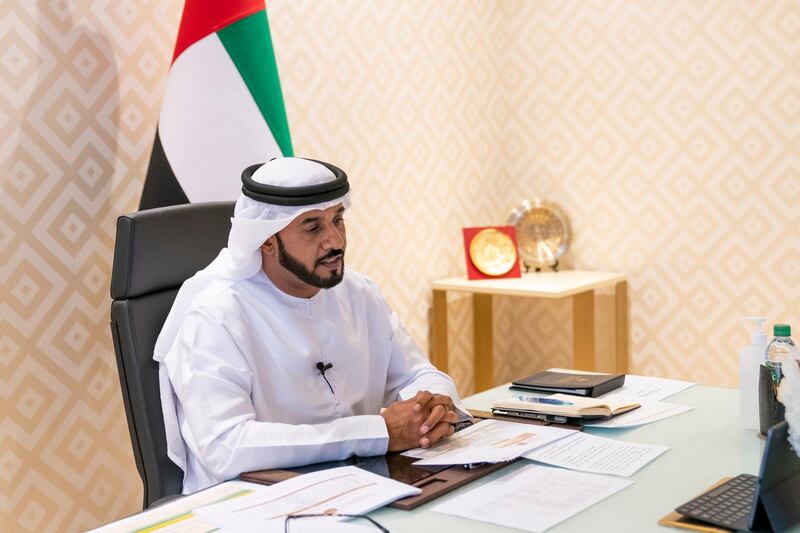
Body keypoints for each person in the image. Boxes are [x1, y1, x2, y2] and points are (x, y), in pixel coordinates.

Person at [154, 157, 468, 493]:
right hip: (258, 504)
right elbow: (226, 446)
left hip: (363, 485)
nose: (335, 241)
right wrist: (377, 432)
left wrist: (433, 407)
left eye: (338, 220)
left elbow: (416, 373)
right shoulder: (217, 315)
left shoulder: (358, 293)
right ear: (267, 240)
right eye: (313, 227)